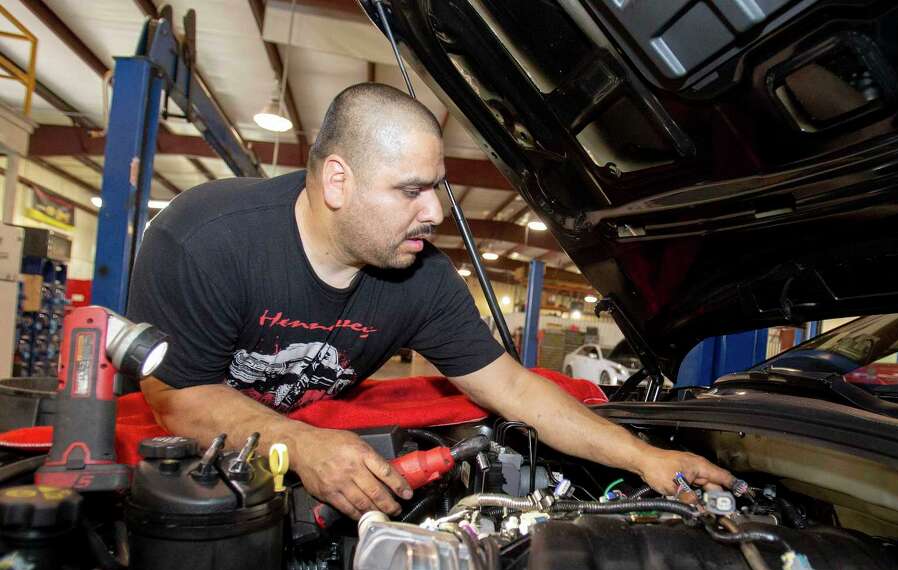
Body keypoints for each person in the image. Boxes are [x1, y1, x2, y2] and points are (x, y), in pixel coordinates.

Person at [128, 83, 732, 518]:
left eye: (436, 189)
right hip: (185, 483)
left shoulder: (421, 278)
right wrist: (301, 444)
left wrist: (644, 458)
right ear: (338, 181)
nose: (436, 213)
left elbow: (516, 391)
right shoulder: (207, 238)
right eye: (411, 190)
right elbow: (179, 400)